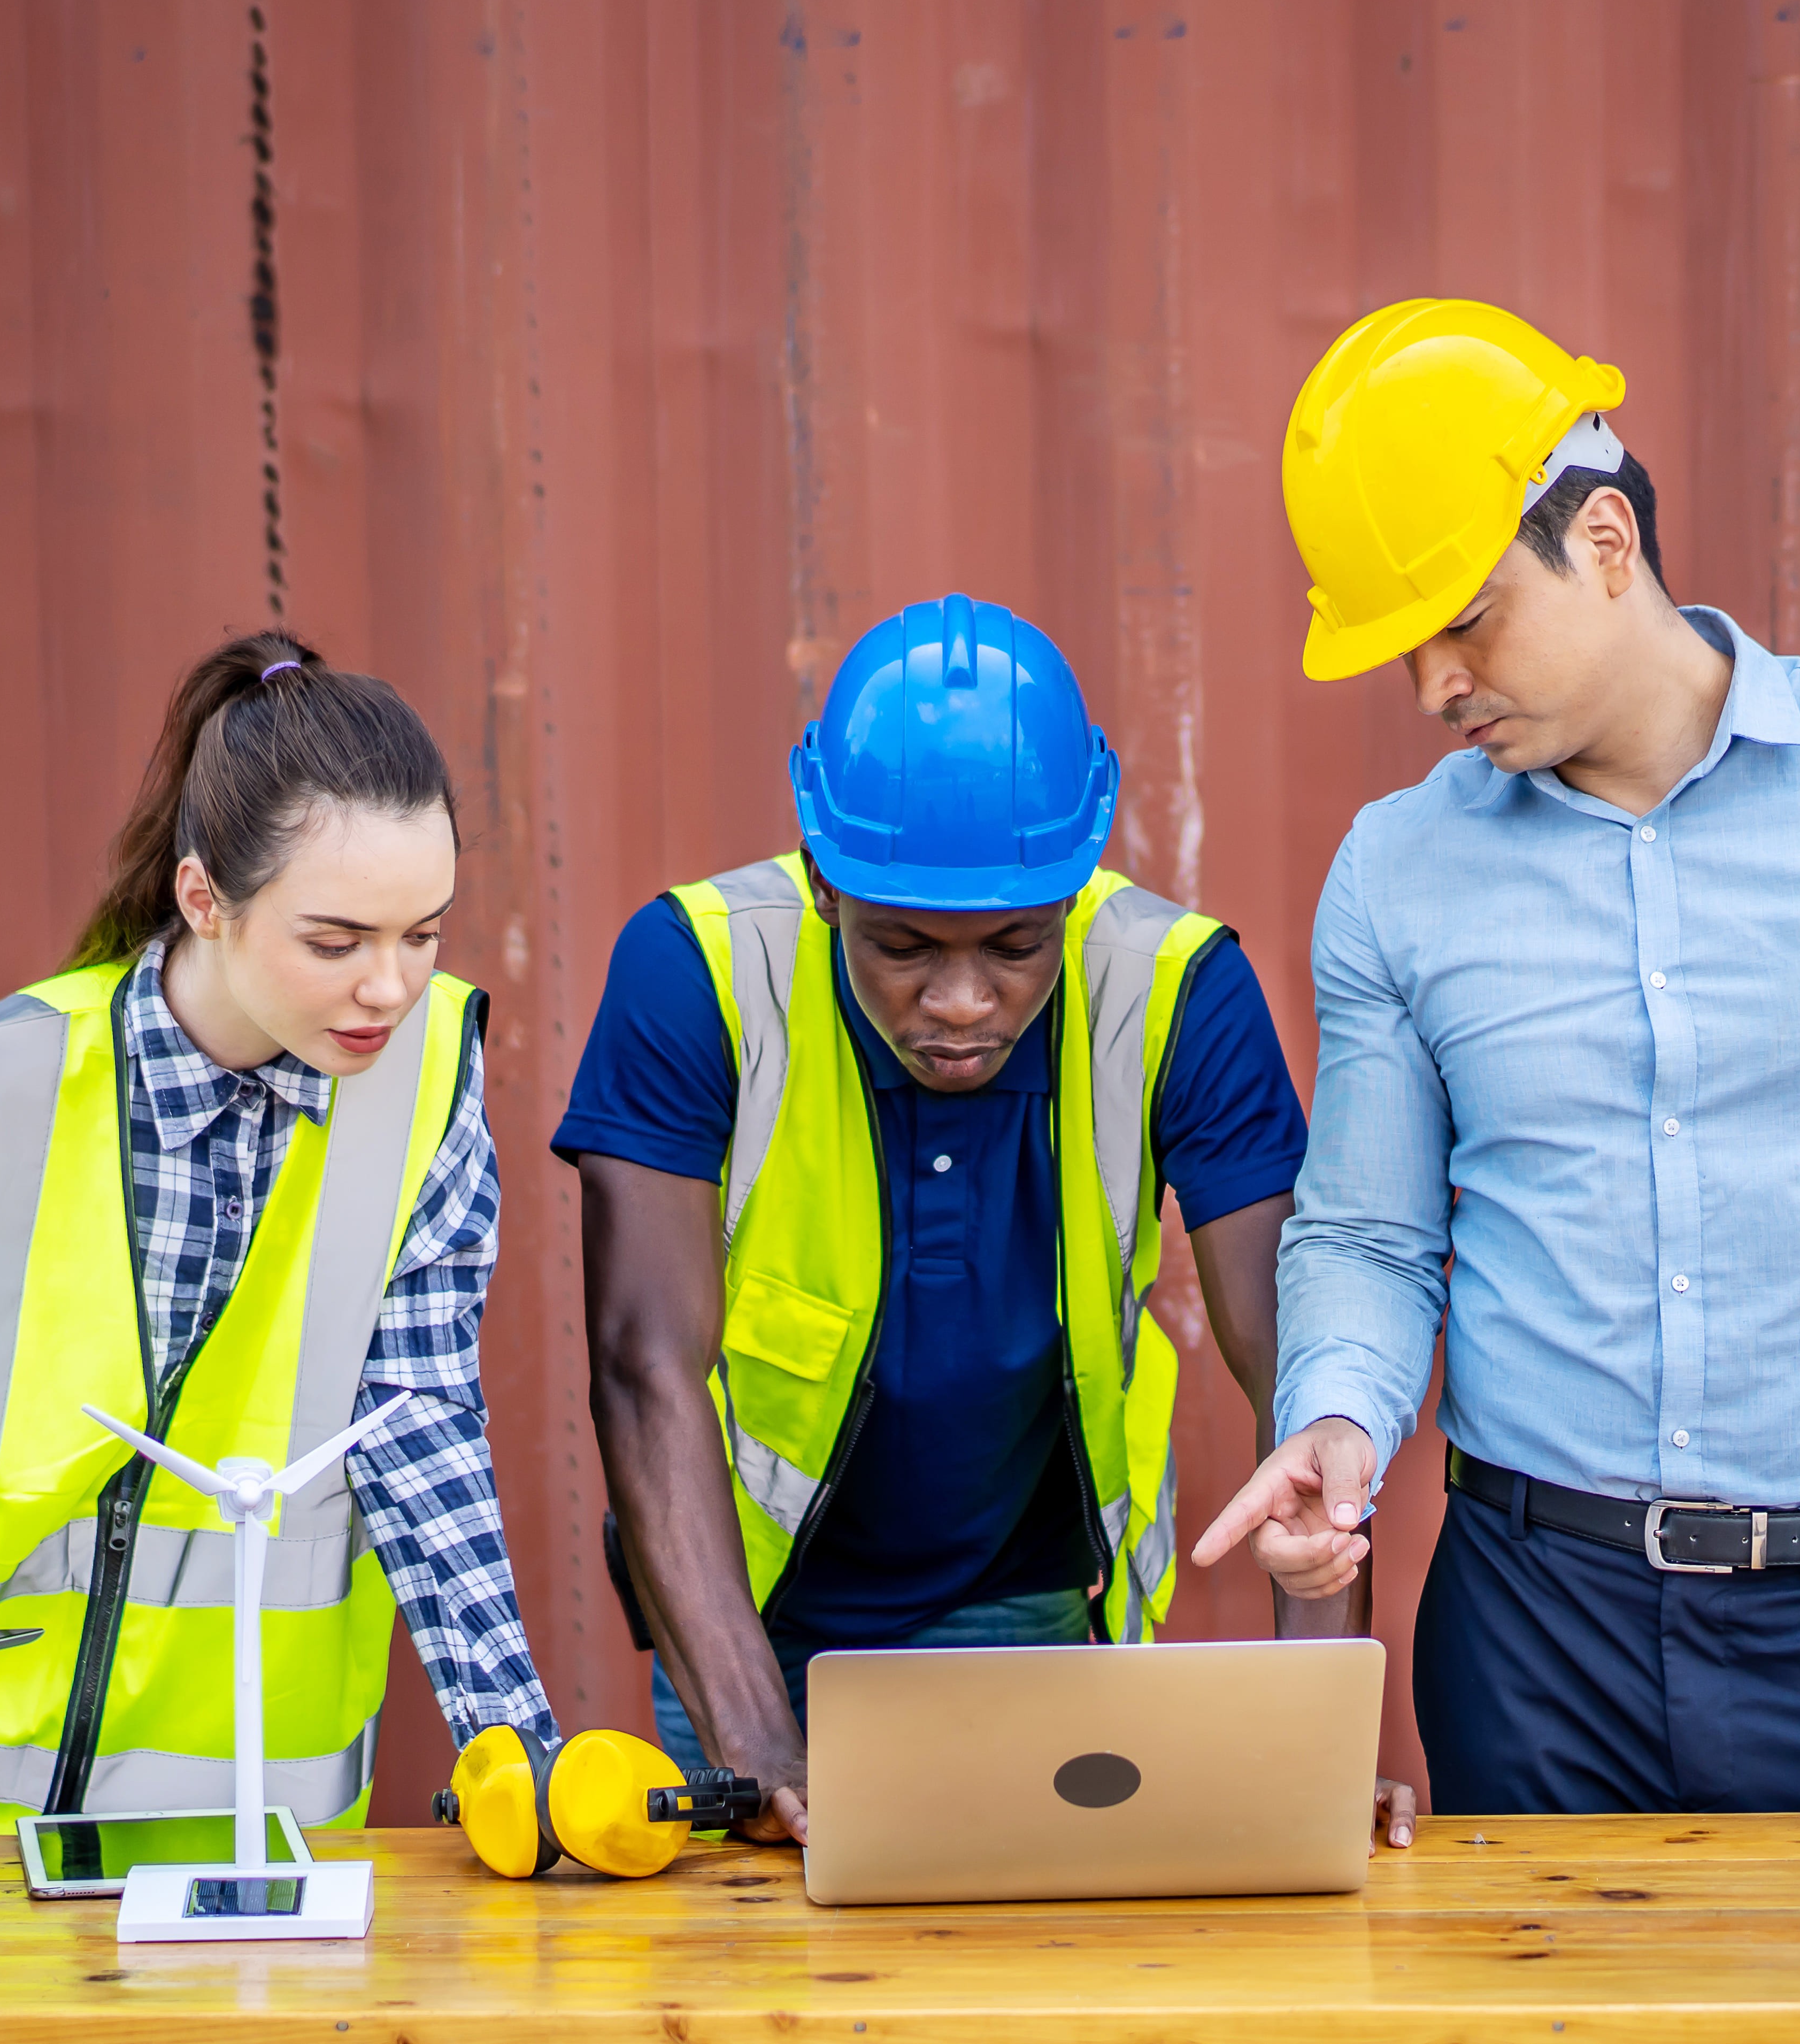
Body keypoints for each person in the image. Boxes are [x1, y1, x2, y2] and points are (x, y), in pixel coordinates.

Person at [1195, 299, 1800, 1816]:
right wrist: (1335, 1417)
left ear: (1603, 540)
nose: (1433, 689)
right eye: (1406, 650)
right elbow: (1370, 1237)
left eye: (1463, 619)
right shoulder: (1396, 872)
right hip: (1528, 1642)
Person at [0, 633, 555, 1916]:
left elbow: (420, 1434)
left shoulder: (425, 1099)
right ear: (205, 899)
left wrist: (519, 1754)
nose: (391, 986)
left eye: (423, 933)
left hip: (210, 1847)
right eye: (336, 940)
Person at [564, 594, 1319, 1848]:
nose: (963, 1003)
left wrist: (1309, 1734)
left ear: (1075, 882)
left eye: (1018, 948)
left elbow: (1301, 1366)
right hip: (746, 1630)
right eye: (905, 948)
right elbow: (644, 1364)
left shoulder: (1178, 985)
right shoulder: (694, 971)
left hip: (1025, 1620)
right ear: (822, 880)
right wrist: (755, 1743)